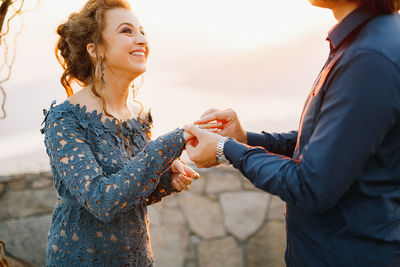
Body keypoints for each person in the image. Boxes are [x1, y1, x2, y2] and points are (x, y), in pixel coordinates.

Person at [184, 0, 400, 266]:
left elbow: (310, 186)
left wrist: (225, 149)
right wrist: (245, 139)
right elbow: (332, 140)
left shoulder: (369, 56)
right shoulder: (366, 41)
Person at [41, 0, 199, 265]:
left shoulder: (139, 117)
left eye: (142, 32)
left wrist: (164, 181)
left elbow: (130, 193)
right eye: (127, 31)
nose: (141, 39)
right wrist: (170, 143)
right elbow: (102, 201)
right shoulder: (65, 119)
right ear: (95, 49)